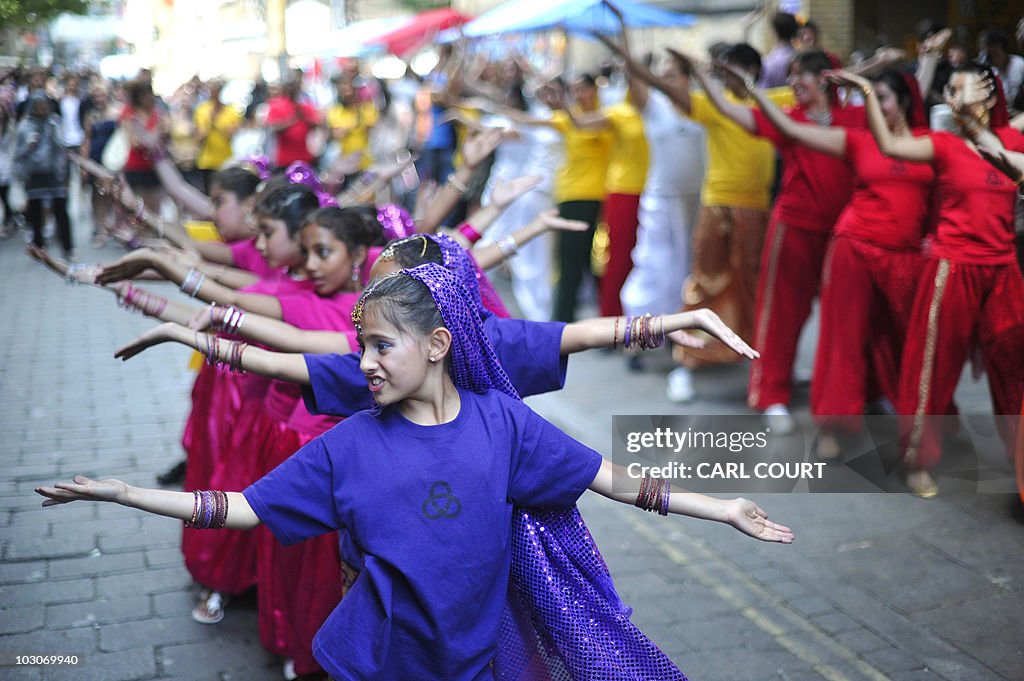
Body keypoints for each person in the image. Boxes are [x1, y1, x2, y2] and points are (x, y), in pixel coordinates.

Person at [37, 261, 793, 681]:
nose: (363, 362)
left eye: (380, 347)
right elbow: (244, 508)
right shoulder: (348, 444)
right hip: (380, 659)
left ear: (436, 344)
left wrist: (722, 506)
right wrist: (127, 493)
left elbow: (614, 479)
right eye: (359, 347)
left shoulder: (503, 424)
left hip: (477, 658)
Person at [739, 67, 936, 456]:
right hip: (852, 247)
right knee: (839, 337)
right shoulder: (857, 139)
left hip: (905, 255)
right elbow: (792, 131)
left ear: (904, 103)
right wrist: (752, 89)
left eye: (883, 99)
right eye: (871, 98)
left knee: (903, 337)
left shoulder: (931, 143)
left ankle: (896, 408)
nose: (875, 107)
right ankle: (834, 424)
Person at [855, 63, 1024, 497]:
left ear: (988, 96)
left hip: (1003, 267)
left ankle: (1019, 455)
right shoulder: (944, 144)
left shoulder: (1013, 139)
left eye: (960, 88)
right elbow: (890, 144)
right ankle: (918, 459)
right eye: (949, 88)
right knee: (933, 364)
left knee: (1015, 366)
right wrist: (867, 94)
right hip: (954, 266)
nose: (950, 95)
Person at [14, 93, 73, 258]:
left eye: (43, 105)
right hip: (35, 173)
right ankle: (39, 247)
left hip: (54, 172)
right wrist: (29, 146)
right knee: (36, 211)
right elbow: (18, 153)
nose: (41, 109)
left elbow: (63, 145)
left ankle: (68, 247)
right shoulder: (24, 126)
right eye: (37, 106)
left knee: (60, 209)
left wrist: (53, 134)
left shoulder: (54, 122)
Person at [120, 79, 169, 214]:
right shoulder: (130, 113)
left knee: (155, 209)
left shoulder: (157, 113)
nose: (148, 98)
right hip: (135, 167)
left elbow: (164, 136)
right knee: (139, 210)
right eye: (144, 95)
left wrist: (149, 137)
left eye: (149, 94)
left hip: (154, 168)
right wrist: (152, 138)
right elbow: (134, 142)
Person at [193, 80, 243, 194]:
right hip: (207, 161)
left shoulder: (231, 111)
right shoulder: (202, 110)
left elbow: (231, 134)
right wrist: (210, 124)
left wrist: (218, 123)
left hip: (225, 159)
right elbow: (197, 136)